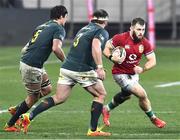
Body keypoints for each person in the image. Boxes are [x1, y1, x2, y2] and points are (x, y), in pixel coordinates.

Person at [19, 9, 111, 136]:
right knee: (101, 94)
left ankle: (29, 116)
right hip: (81, 69)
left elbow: (82, 50)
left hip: (67, 67)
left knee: (59, 98)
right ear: (105, 21)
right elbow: (95, 46)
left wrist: (94, 66)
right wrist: (100, 67)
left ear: (93, 19)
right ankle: (93, 130)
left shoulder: (84, 29)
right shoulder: (101, 31)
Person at [4, 5, 68, 132]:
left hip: (34, 64)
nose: (66, 20)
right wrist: (66, 62)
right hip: (32, 66)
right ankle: (10, 125)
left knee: (47, 88)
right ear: (61, 16)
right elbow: (56, 48)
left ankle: (17, 108)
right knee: (32, 98)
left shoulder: (41, 26)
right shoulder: (59, 28)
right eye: (66, 17)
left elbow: (25, 49)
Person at [102, 17, 166, 128]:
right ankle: (153, 118)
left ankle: (106, 109)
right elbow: (106, 48)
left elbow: (153, 60)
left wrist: (143, 69)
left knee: (126, 95)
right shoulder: (120, 38)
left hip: (133, 74)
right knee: (142, 94)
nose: (141, 32)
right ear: (131, 28)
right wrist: (112, 57)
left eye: (143, 29)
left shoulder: (145, 43)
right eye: (138, 29)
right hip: (119, 73)